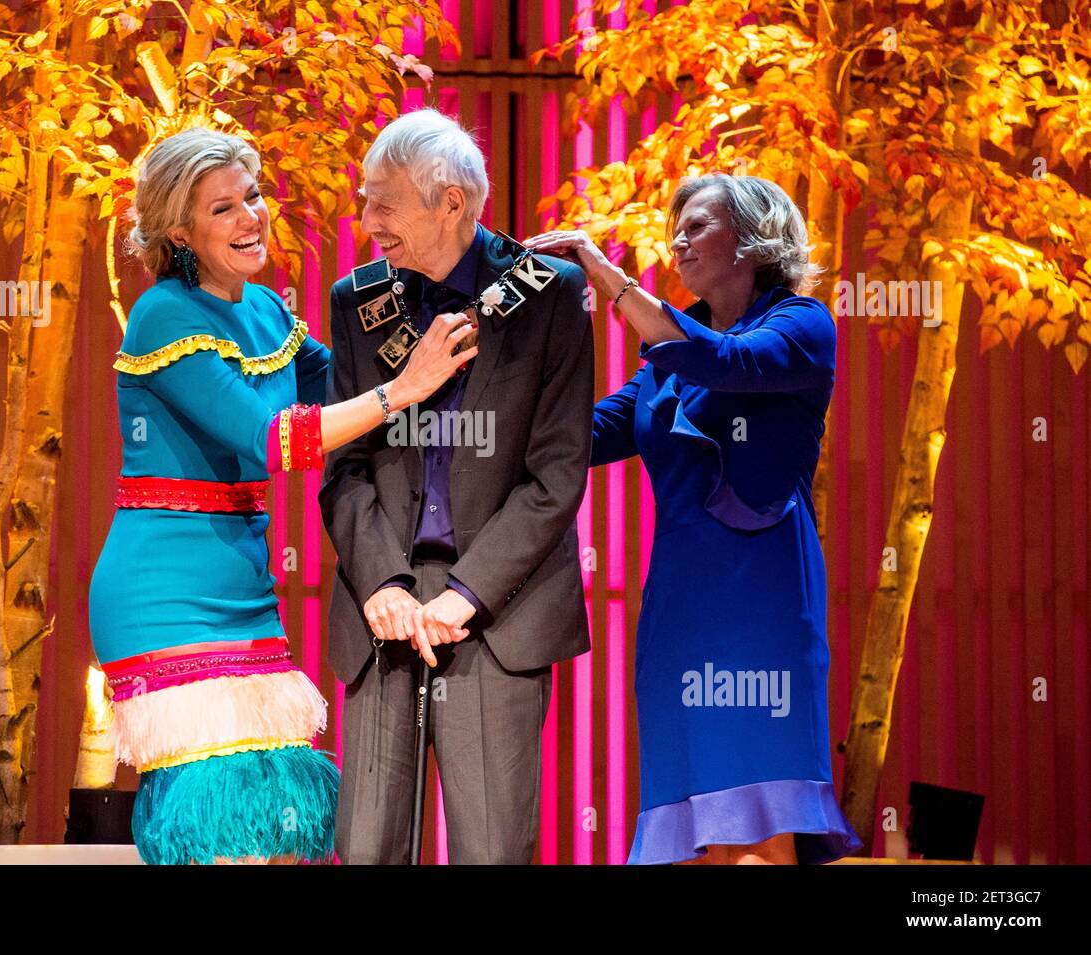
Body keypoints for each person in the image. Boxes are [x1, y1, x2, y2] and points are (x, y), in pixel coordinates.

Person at [88, 126, 475, 865]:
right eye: (223, 208)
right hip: (165, 593)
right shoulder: (164, 313)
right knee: (218, 832)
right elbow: (274, 439)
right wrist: (407, 386)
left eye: (253, 197)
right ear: (180, 231)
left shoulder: (266, 311)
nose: (249, 218)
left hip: (245, 589)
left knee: (278, 831)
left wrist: (449, 310)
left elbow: (344, 388)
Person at [525, 173, 863, 865]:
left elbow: (728, 363)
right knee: (691, 830)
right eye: (676, 225)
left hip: (761, 600)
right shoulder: (666, 357)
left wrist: (607, 276)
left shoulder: (801, 324)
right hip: (680, 605)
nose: (678, 238)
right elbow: (581, 438)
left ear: (754, 238)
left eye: (698, 224)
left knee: (758, 825)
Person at [320, 108, 595, 864]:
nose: (367, 219)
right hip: (386, 603)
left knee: (491, 849)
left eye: (386, 202)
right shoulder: (357, 299)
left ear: (453, 203)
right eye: (366, 198)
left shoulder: (552, 294)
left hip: (494, 606)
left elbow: (557, 473)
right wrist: (380, 581)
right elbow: (342, 463)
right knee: (367, 845)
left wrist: (465, 594)